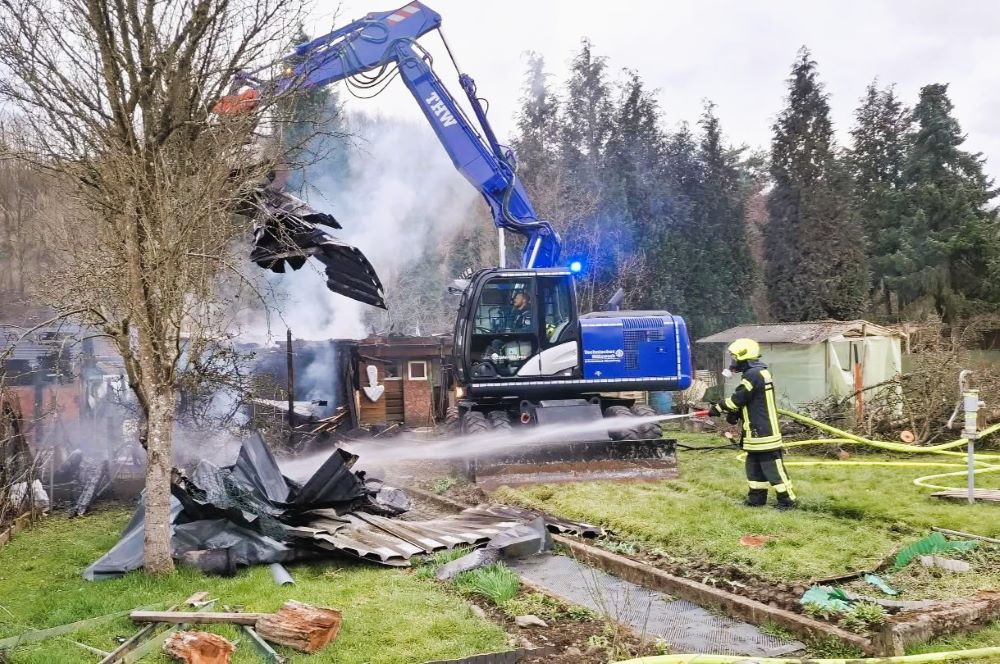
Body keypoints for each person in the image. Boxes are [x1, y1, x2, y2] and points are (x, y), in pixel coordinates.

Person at [708, 338, 796, 510]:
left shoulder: (754, 374)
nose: (733, 361)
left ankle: (787, 500)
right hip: (755, 431)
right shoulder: (756, 373)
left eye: (734, 357)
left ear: (743, 356)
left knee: (772, 467)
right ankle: (756, 499)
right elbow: (751, 401)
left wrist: (718, 407)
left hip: (764, 432)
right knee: (754, 467)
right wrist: (735, 413)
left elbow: (739, 398)